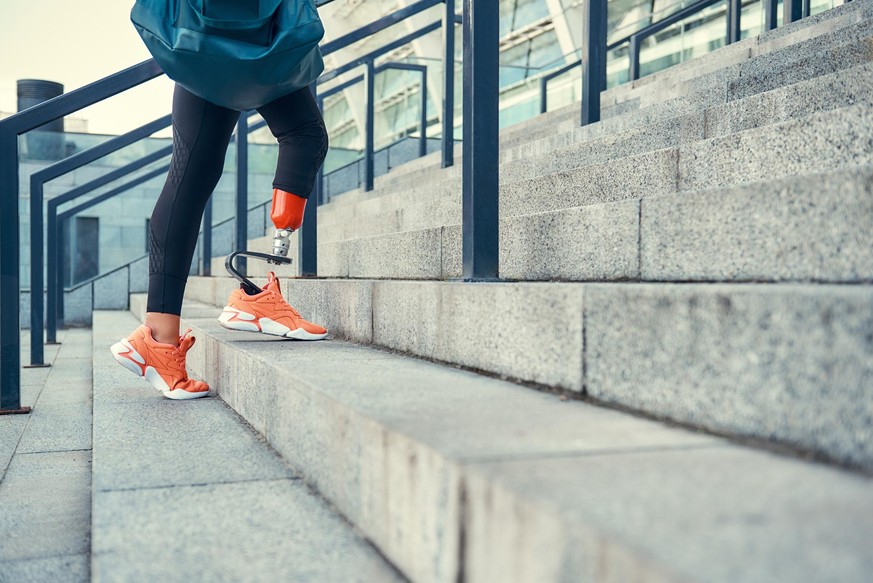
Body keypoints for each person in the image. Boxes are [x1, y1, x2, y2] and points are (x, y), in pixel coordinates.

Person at [110, 82, 329, 400]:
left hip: (208, 44)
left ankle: (161, 337)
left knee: (193, 170)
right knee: (305, 135)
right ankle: (257, 295)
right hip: (249, 36)